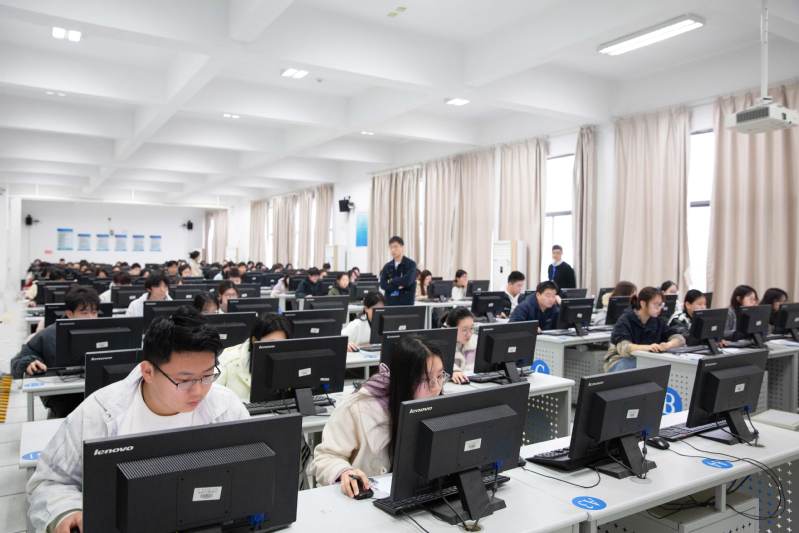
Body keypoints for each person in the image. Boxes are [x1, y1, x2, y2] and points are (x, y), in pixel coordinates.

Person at [26, 308, 249, 533]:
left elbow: (251, 469)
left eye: (208, 375)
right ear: (148, 372)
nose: (199, 390)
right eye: (184, 380)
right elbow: (50, 482)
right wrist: (66, 512)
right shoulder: (99, 412)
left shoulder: (225, 406)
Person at [309, 336, 446, 496]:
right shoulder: (358, 408)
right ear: (404, 380)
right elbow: (326, 457)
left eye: (440, 376)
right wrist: (344, 472)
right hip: (364, 500)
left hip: (416, 495)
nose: (436, 387)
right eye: (425, 379)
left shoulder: (436, 406)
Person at [11, 286, 100, 418]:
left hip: (98, 399)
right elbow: (16, 363)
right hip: (64, 401)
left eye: (94, 312)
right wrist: (29, 362)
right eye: (84, 313)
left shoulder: (103, 331)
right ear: (70, 314)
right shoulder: (49, 335)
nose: (91, 318)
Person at [604, 287, 686, 372]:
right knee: (643, 366)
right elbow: (624, 348)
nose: (659, 308)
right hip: (620, 360)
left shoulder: (658, 320)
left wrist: (668, 345)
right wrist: (649, 347)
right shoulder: (625, 320)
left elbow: (679, 338)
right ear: (643, 304)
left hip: (646, 359)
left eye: (661, 304)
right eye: (655, 304)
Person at [217, 313, 294, 401]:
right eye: (272, 343)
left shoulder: (288, 359)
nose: (277, 349)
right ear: (254, 340)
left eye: (282, 343)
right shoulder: (228, 359)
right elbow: (214, 399)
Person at [379, 236, 417, 306]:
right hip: (389, 303)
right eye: (391, 247)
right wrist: (398, 286)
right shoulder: (387, 266)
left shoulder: (411, 264)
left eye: (395, 247)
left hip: (406, 304)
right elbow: (383, 285)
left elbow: (407, 281)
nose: (393, 250)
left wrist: (391, 280)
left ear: (402, 247)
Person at [442, 307, 477, 384]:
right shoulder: (441, 345)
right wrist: (453, 371)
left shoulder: (475, 342)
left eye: (471, 328)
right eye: (464, 330)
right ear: (450, 328)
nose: (469, 334)